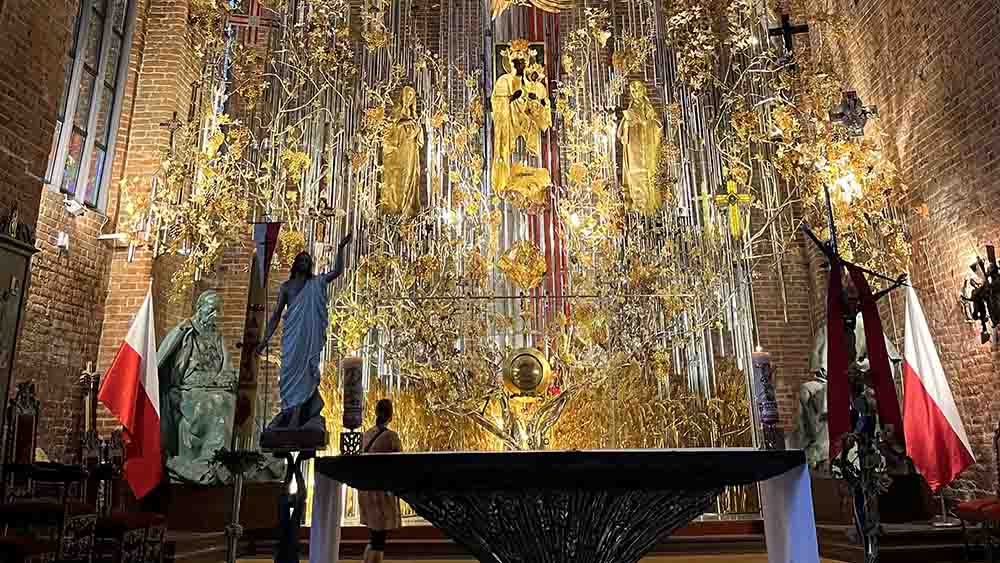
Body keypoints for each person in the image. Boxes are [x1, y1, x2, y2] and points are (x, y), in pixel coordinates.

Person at [256, 234, 352, 431]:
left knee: (305, 375)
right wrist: (264, 339)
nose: (304, 262)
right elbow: (275, 316)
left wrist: (341, 248)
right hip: (292, 338)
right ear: (295, 264)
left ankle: (296, 417)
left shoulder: (315, 283)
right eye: (301, 259)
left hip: (308, 337)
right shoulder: (287, 287)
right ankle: (288, 411)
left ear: (310, 266)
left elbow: (337, 271)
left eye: (307, 261)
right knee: (288, 373)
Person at [157, 290, 235, 484]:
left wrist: (225, 378)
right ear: (199, 308)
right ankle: (208, 460)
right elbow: (165, 359)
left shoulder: (217, 336)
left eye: (217, 311)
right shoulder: (185, 331)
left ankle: (225, 461)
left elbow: (227, 365)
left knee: (238, 401)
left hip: (214, 385)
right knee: (216, 403)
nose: (214, 315)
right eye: (211, 310)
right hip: (188, 388)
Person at [359, 399, 403, 563]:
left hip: (366, 490)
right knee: (379, 539)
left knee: (374, 535)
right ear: (390, 415)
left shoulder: (366, 434)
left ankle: (368, 559)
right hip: (381, 492)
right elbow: (400, 460)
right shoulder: (391, 437)